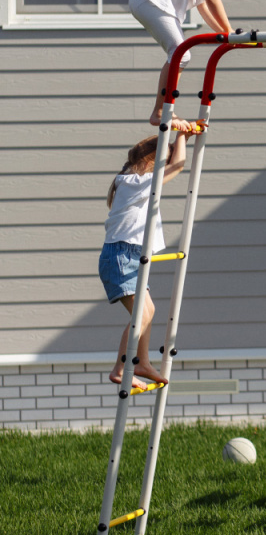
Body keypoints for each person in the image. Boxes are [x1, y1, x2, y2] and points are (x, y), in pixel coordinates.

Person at [129, 0, 256, 132]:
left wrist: (224, 36)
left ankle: (161, 109)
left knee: (178, 54)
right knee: (181, 54)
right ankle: (160, 111)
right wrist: (229, 31)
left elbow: (203, 7)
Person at [99, 130, 197, 389]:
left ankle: (141, 361)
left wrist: (179, 139)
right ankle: (120, 368)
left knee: (148, 311)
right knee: (141, 314)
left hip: (129, 255)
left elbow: (173, 164)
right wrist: (182, 140)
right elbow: (178, 165)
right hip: (121, 257)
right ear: (151, 163)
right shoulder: (134, 183)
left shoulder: (134, 181)